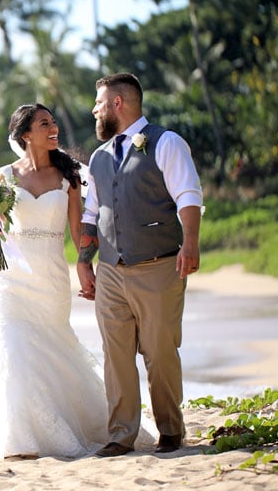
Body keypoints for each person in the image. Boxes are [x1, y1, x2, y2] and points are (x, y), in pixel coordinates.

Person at [76, 72, 202, 458]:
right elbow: (92, 213)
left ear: (118, 104)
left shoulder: (167, 143)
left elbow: (188, 195)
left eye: (99, 103)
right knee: (115, 355)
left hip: (158, 266)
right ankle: (121, 435)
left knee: (160, 352)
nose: (94, 110)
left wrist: (191, 244)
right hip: (112, 270)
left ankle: (170, 430)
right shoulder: (98, 157)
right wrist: (84, 261)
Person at [0, 103, 113, 460]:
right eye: (44, 124)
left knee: (55, 345)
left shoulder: (68, 177)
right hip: (11, 278)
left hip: (51, 275)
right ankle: (20, 438)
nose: (54, 128)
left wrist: (85, 264)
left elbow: (77, 228)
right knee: (15, 347)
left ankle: (69, 423)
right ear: (25, 135)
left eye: (54, 122)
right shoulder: (6, 175)